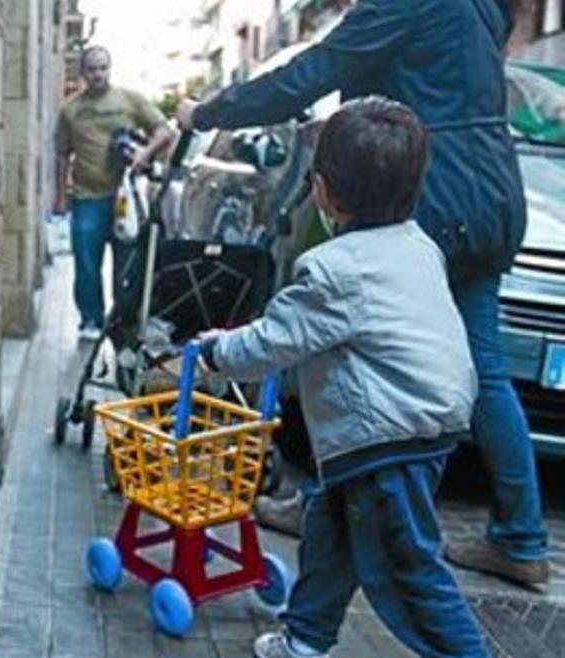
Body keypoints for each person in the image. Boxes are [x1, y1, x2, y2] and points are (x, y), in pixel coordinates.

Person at [177, 0, 549, 586]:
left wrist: (207, 113)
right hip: (493, 194)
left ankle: (324, 507)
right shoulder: (481, 8)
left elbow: (311, 72)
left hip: (432, 193)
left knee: (346, 346)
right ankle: (522, 536)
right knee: (486, 369)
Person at [197, 98, 494, 658]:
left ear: (325, 192)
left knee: (407, 567)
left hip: (386, 439)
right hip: (422, 419)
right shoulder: (418, 245)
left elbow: (272, 342)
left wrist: (215, 351)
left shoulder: (334, 270)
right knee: (330, 529)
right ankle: (305, 640)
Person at [54, 45, 175, 341]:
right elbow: (61, 155)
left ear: (110, 68)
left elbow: (164, 131)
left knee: (127, 265)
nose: (98, 74)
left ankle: (122, 322)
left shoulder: (129, 100)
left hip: (125, 199)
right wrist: (61, 196)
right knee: (86, 264)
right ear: (82, 72)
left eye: (103, 67)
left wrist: (144, 154)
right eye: (92, 69)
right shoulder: (70, 109)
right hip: (86, 198)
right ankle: (91, 321)